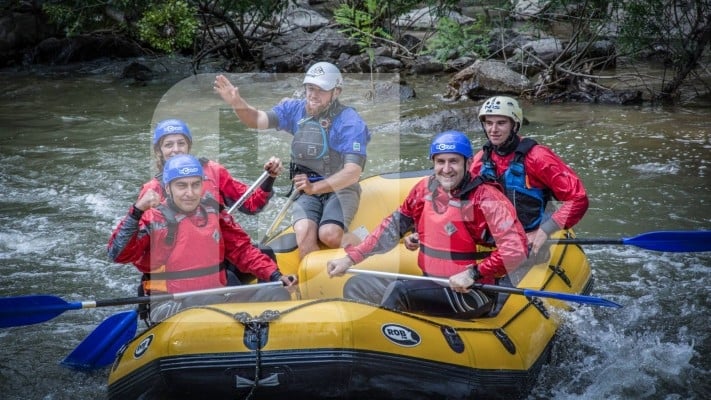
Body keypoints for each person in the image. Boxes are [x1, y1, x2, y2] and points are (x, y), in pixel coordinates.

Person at [326, 131, 528, 319]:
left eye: (454, 162)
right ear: (433, 162)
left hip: (474, 291)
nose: (446, 169)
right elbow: (391, 228)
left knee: (399, 292)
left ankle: (388, 341)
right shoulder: (424, 189)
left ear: (467, 163)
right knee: (357, 285)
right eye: (440, 162)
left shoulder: (488, 199)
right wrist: (351, 258)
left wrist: (473, 272)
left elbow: (516, 249)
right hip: (430, 281)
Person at [108, 154, 297, 325]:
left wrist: (275, 275)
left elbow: (242, 250)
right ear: (168, 188)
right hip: (169, 305)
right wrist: (136, 212)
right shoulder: (154, 219)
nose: (190, 193)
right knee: (205, 302)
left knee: (276, 293)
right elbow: (118, 254)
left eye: (195, 185)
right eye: (182, 185)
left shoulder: (213, 212)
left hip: (216, 295)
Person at [214, 62, 371, 259]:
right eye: (310, 88)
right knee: (305, 238)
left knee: (329, 235)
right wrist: (237, 103)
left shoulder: (350, 121)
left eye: (321, 90)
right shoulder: (293, 109)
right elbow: (257, 120)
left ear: (336, 92)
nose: (313, 95)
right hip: (305, 189)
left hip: (340, 188)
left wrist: (316, 187)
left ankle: (370, 243)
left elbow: (353, 172)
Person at [471, 96, 589, 259]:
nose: (493, 129)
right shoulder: (481, 159)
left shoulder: (538, 157)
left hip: (531, 234)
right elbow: (462, 198)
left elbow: (578, 199)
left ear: (515, 125)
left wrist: (544, 230)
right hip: (497, 239)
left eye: (501, 123)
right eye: (489, 123)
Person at [141, 118, 283, 214]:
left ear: (189, 146)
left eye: (181, 143)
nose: (176, 149)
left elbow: (251, 205)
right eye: (168, 145)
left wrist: (269, 178)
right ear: (159, 150)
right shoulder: (152, 188)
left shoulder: (213, 171)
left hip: (215, 245)